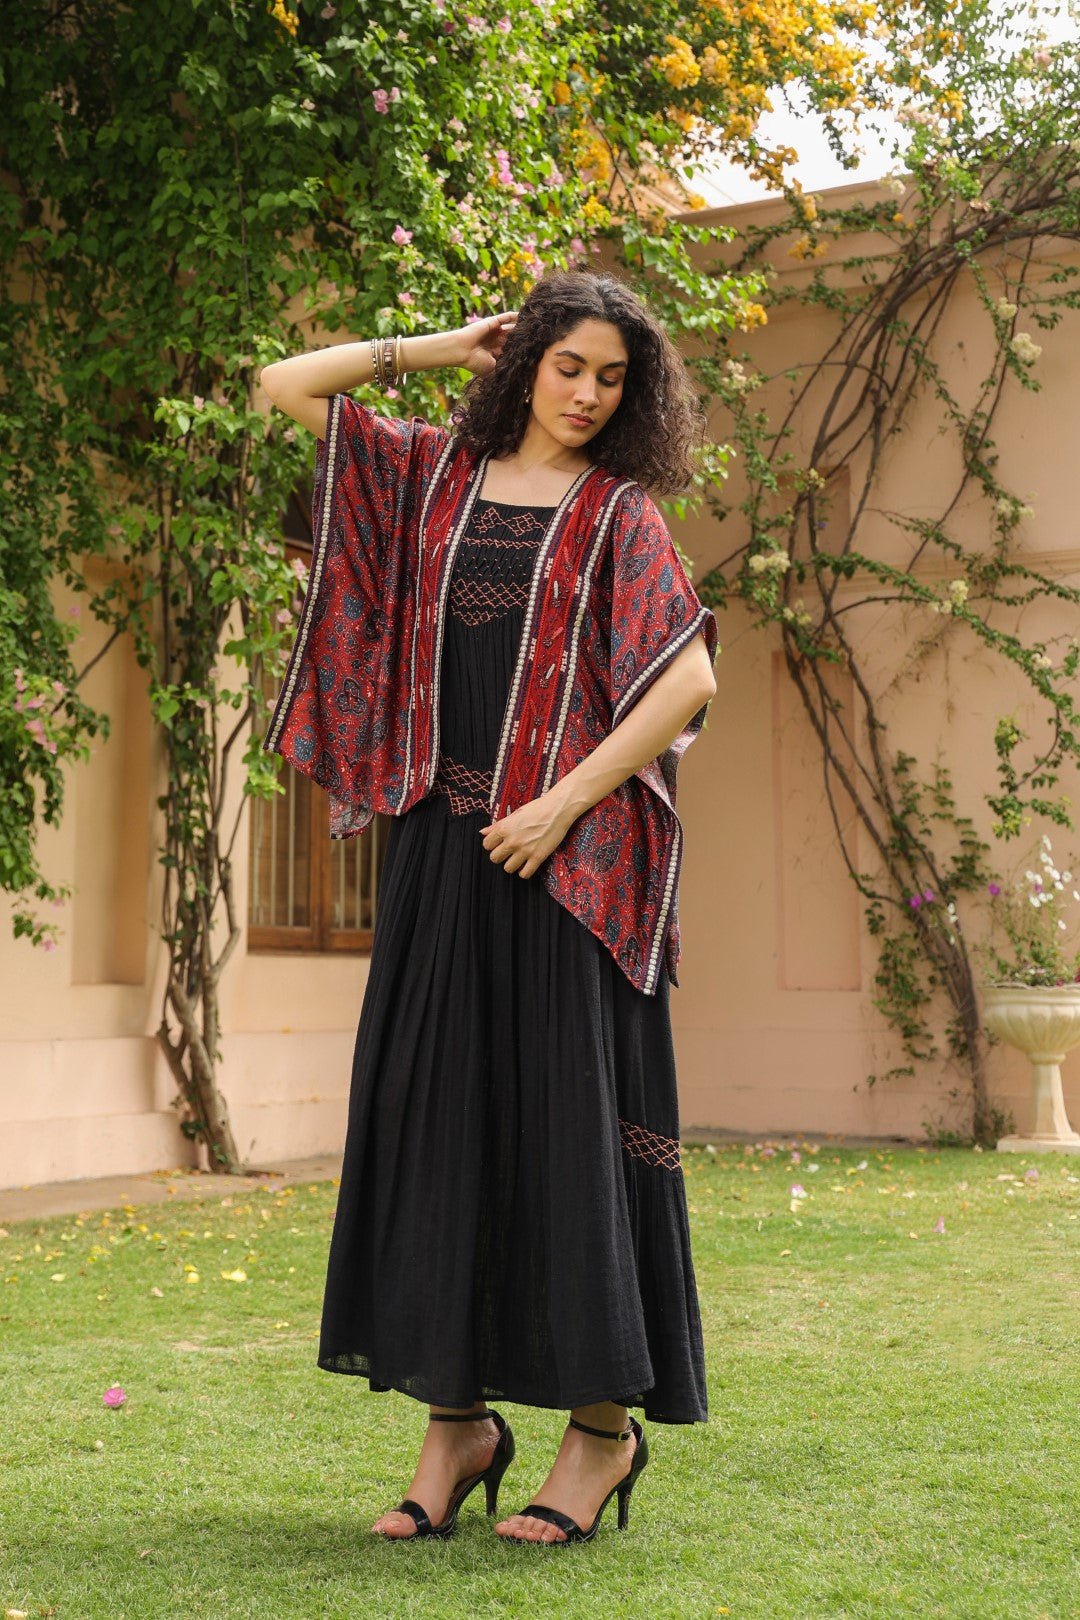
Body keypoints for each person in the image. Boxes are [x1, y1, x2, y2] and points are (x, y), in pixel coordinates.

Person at [259, 268, 719, 1547]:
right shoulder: (431, 478)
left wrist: (562, 804)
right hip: (440, 854)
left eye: (612, 379)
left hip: (564, 869)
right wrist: (431, 346)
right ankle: (455, 1427)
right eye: (567, 365)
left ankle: (601, 1436)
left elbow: (685, 682)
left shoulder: (620, 516)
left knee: (570, 1141)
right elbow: (284, 384)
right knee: (437, 1127)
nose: (587, 395)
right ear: (523, 363)